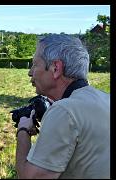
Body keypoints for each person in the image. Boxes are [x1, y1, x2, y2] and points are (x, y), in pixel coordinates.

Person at [15, 34, 110, 179]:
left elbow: (30, 177)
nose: (30, 72)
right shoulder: (104, 98)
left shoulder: (64, 111)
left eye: (35, 64)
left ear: (56, 68)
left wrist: (23, 130)